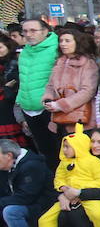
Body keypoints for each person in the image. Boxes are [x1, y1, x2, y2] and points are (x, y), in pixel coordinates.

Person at [40, 28, 99, 137]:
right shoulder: (59, 62)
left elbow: (88, 91)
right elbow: (51, 85)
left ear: (77, 42)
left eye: (67, 41)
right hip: (59, 117)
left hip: (80, 116)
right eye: (61, 41)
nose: (63, 44)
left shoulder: (88, 63)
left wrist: (62, 104)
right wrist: (47, 99)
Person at [17, 18, 60, 165]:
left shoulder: (56, 49)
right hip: (28, 109)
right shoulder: (24, 52)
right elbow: (23, 80)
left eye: (33, 30)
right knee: (44, 150)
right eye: (25, 31)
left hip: (49, 107)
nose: (28, 34)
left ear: (45, 31)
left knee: (58, 149)